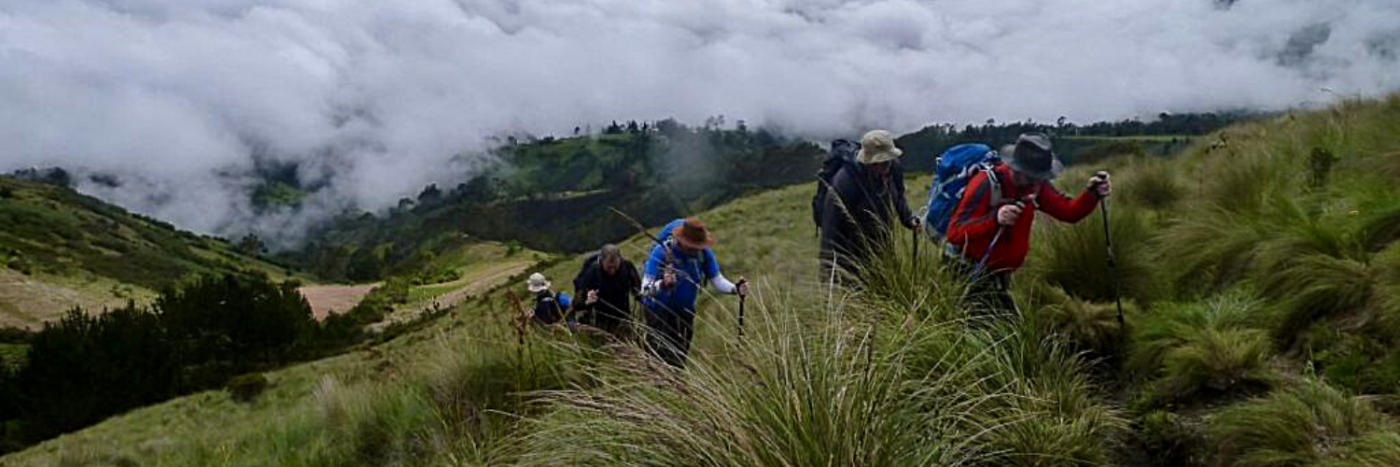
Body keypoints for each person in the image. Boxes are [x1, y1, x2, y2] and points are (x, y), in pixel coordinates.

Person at [945, 132, 1112, 318]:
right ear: (1017, 168)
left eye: (1041, 176)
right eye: (1034, 176)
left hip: (998, 276)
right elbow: (955, 232)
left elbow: (1068, 212)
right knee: (1007, 335)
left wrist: (1092, 194)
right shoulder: (986, 183)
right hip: (969, 273)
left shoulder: (1035, 185)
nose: (1038, 180)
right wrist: (995, 219)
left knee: (999, 334)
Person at [640, 217, 748, 368]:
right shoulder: (661, 252)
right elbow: (645, 290)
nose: (696, 249)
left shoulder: (703, 253)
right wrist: (662, 284)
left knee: (680, 354)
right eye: (692, 246)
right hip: (658, 312)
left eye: (698, 245)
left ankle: (675, 386)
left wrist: (735, 289)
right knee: (659, 357)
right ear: (681, 240)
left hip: (685, 312)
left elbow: (717, 280)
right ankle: (659, 385)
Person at [818, 129, 921, 277]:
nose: (885, 166)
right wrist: (828, 273)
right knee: (857, 288)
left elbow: (898, 195)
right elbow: (830, 228)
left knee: (884, 281)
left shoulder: (893, 168)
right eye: (879, 162)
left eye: (887, 160)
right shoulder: (845, 183)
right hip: (850, 246)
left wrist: (908, 219)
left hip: (881, 240)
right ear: (867, 161)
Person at [572, 244, 642, 339]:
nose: (612, 270)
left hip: (624, 318)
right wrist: (587, 301)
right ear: (601, 261)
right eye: (609, 267)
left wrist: (641, 296)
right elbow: (576, 303)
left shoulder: (627, 267)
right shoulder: (592, 272)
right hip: (601, 321)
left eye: (615, 267)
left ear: (620, 260)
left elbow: (638, 291)